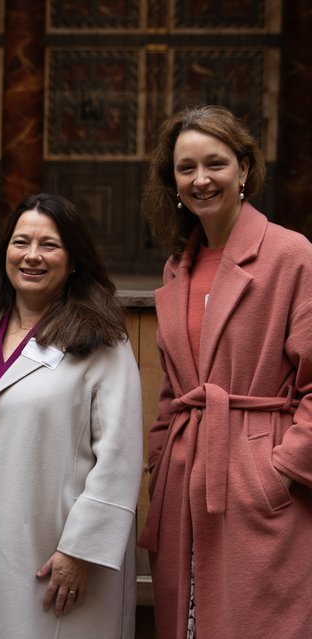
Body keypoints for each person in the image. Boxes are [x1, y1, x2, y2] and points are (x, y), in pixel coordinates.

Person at [137, 105, 312, 638]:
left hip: (260, 481)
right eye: (186, 168)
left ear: (244, 169)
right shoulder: (177, 265)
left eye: (215, 164)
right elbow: (174, 388)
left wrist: (277, 469)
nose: (200, 179)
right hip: (186, 480)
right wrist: (161, 460)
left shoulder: (290, 254)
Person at [0, 193, 143, 639]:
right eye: (21, 242)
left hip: (55, 552)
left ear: (73, 259)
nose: (32, 256)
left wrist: (82, 549)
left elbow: (120, 456)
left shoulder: (101, 339)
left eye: (49, 245)